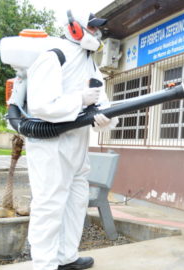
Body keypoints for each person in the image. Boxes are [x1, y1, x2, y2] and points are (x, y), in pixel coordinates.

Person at [25, 8, 117, 270]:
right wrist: (79, 100)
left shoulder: (90, 62)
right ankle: (44, 265)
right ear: (75, 27)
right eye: (92, 28)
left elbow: (103, 101)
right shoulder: (55, 54)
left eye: (98, 29)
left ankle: (67, 257)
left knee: (75, 202)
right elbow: (41, 105)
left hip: (78, 144)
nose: (96, 33)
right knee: (49, 205)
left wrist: (106, 119)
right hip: (50, 145)